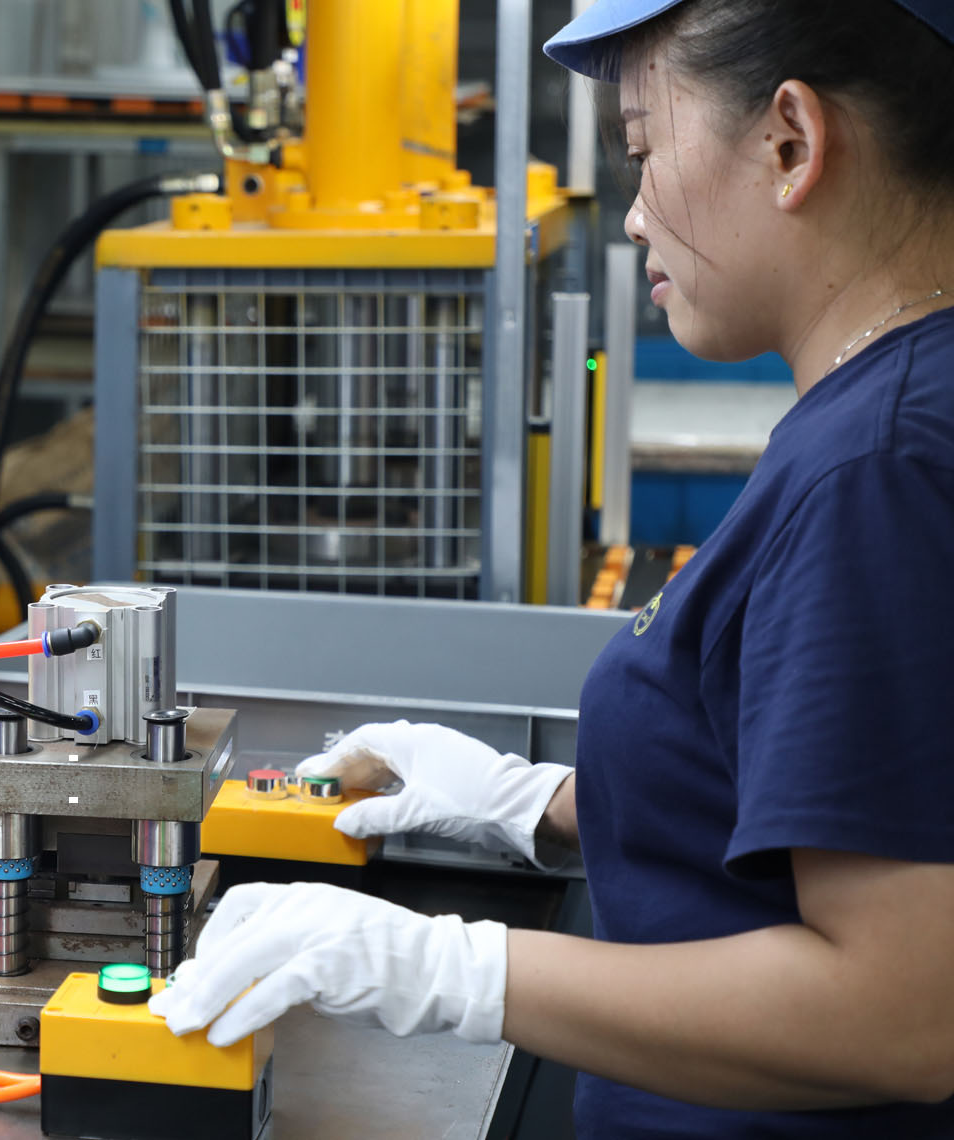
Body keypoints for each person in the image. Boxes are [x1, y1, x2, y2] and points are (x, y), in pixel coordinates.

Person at [148, 1, 954, 1135]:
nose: (633, 214)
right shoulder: (882, 414)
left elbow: (900, 1014)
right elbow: (831, 801)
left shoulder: (881, 466)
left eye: (643, 148)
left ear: (790, 143)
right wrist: (530, 803)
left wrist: (445, 967)